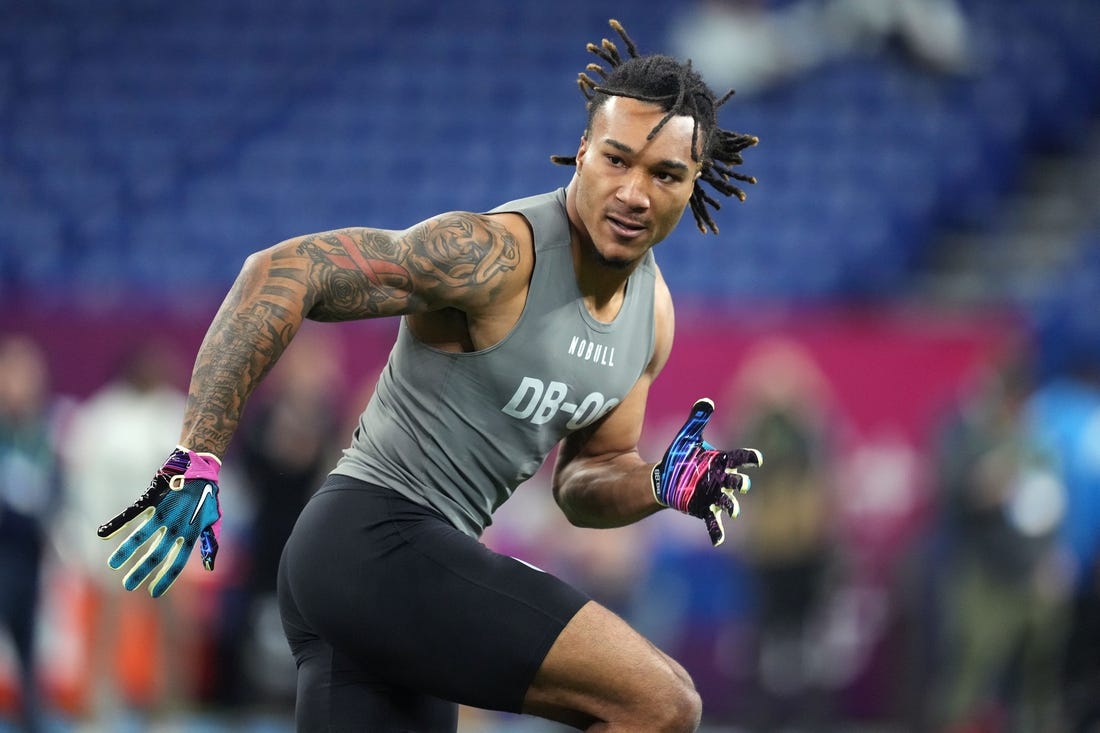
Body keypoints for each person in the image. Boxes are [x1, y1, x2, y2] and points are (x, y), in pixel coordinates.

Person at [96, 20, 765, 731]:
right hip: (368, 539)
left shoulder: (652, 317)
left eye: (664, 174)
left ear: (693, 184)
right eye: (616, 160)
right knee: (660, 700)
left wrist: (657, 483)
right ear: (581, 155)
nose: (634, 191)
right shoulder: (495, 256)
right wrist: (197, 453)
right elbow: (278, 273)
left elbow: (584, 481)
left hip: (400, 585)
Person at [0, 335, 61, 733]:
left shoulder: (41, 433)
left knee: (27, 642)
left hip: (28, 554)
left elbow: (54, 488)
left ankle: (32, 718)